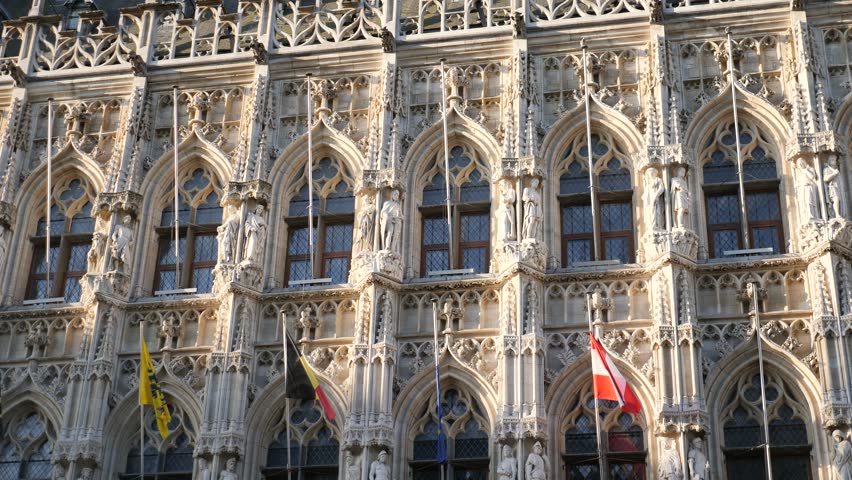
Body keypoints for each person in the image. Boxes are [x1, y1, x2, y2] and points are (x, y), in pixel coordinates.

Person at [796, 158, 820, 223]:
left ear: (804, 163)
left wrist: (806, 170)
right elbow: (797, 183)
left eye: (802, 163)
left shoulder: (810, 169)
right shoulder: (799, 174)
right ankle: (807, 216)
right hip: (802, 189)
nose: (801, 165)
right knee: (804, 203)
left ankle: (813, 215)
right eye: (799, 164)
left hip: (809, 187)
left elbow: (812, 177)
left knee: (810, 201)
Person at [824, 154, 847, 219]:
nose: (834, 162)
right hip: (833, 187)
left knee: (839, 200)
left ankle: (840, 214)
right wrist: (834, 174)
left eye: (835, 160)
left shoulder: (836, 169)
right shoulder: (827, 169)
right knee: (836, 199)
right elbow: (825, 179)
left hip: (839, 187)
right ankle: (837, 214)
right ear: (829, 161)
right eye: (832, 160)